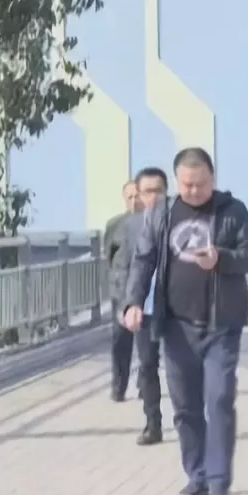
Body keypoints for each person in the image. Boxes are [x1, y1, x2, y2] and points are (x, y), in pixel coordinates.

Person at [123, 147, 248, 495]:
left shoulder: (233, 211)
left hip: (221, 325)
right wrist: (133, 302)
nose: (194, 191)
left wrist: (221, 258)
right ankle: (196, 476)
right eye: (187, 185)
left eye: (200, 184)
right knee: (185, 407)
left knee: (219, 400)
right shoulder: (162, 213)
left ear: (212, 178)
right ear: (176, 181)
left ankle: (219, 482)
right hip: (176, 326)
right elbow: (143, 260)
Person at [111, 167, 168, 446]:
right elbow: (122, 267)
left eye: (159, 191)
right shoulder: (131, 225)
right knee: (147, 364)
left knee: (184, 365)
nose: (153, 197)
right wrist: (126, 304)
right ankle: (152, 423)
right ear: (138, 194)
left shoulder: (178, 221)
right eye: (147, 191)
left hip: (175, 306)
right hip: (143, 307)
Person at [104, 181, 140, 402]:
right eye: (130, 197)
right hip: (122, 292)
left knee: (148, 343)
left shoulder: (153, 223)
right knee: (120, 340)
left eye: (137, 196)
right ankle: (119, 387)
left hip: (147, 289)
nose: (134, 201)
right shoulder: (115, 225)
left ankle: (146, 384)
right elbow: (109, 255)